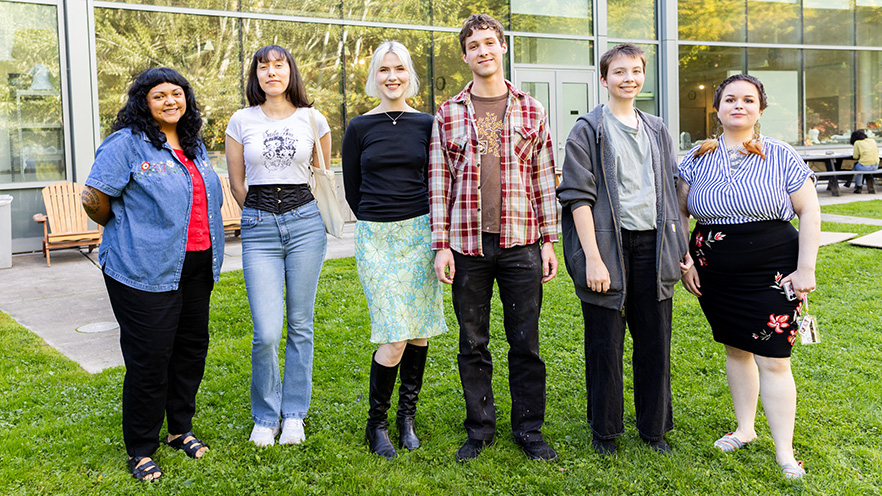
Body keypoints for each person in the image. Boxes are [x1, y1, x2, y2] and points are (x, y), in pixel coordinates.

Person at [82, 67, 225, 481]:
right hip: (142, 267)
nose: (170, 102)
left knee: (190, 350)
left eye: (177, 94)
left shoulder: (194, 145)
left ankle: (180, 429)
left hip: (196, 265)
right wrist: (124, 229)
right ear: (143, 101)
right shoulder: (127, 144)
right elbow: (94, 197)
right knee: (150, 359)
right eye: (159, 95)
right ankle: (140, 448)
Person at [429, 14, 559, 462]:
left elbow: (544, 177)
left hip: (522, 241)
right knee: (473, 342)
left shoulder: (531, 108)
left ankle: (529, 429)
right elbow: (438, 182)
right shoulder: (448, 112)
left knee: (525, 341)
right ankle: (480, 428)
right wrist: (440, 244)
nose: (483, 51)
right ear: (465, 56)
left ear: (502, 48)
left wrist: (548, 240)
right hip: (467, 246)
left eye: (490, 42)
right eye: (474, 45)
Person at [677, 74, 820, 480]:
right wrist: (686, 260)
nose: (738, 106)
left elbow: (808, 210)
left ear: (760, 109)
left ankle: (785, 453)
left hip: (772, 271)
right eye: (730, 99)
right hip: (714, 270)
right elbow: (679, 212)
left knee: (774, 359)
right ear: (718, 108)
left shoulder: (779, 153)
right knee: (735, 349)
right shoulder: (697, 156)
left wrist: (805, 268)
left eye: (748, 100)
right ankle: (744, 430)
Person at [556, 44, 687, 456]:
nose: (628, 78)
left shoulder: (657, 128)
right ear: (604, 79)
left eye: (635, 71)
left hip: (652, 245)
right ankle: (606, 432)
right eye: (619, 72)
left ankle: (654, 429)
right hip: (607, 245)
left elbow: (671, 188)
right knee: (604, 343)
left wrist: (679, 249)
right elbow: (577, 197)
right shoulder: (588, 130)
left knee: (654, 340)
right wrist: (592, 258)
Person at [341, 41, 448, 460]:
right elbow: (352, 190)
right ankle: (377, 424)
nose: (392, 77)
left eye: (399, 69)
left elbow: (437, 179)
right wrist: (380, 220)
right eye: (384, 70)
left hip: (421, 234)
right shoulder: (358, 128)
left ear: (409, 75)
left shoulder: (427, 124)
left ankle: (407, 418)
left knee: (418, 330)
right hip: (378, 239)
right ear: (375, 76)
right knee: (393, 336)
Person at [225, 45, 331, 447]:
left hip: (306, 224)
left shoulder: (313, 118)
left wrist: (301, 216)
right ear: (256, 75)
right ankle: (265, 415)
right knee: (267, 331)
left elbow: (320, 174)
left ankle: (293, 416)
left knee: (300, 325)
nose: (272, 72)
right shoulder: (240, 120)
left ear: (291, 72)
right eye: (263, 66)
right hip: (259, 227)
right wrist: (258, 217)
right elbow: (237, 184)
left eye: (279, 65)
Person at [849, 130, 879, 194]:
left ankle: (858, 185)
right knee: (857, 166)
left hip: (865, 166)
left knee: (857, 168)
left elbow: (855, 157)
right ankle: (850, 182)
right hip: (875, 166)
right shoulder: (872, 141)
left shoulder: (857, 143)